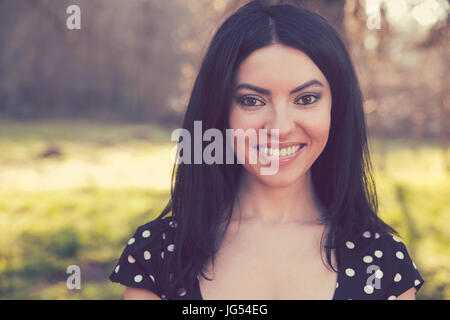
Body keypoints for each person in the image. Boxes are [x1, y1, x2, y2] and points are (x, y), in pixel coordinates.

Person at [109, 0, 425, 300]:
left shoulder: (382, 262)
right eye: (252, 101)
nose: (280, 127)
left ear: (336, 110)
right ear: (221, 112)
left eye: (306, 99)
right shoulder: (159, 253)